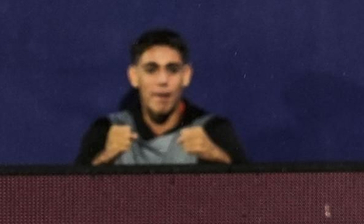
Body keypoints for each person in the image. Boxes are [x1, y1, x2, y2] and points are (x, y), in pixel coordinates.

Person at [74, 30, 250, 167]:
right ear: (134, 76)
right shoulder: (106, 129)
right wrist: (106, 156)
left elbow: (251, 194)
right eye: (151, 70)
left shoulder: (213, 129)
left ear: (186, 75)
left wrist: (218, 156)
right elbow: (72, 196)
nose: (163, 80)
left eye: (172, 69)